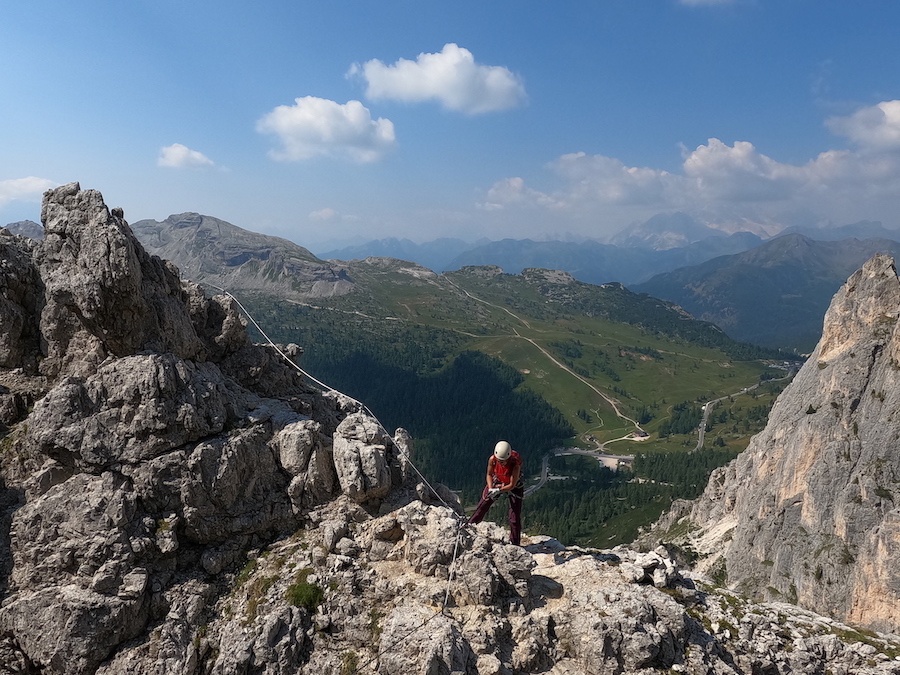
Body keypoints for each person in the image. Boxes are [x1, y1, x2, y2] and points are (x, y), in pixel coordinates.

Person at [465, 440, 524, 545]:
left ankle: (515, 543)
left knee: (514, 516)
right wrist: (491, 488)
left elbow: (512, 485)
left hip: (514, 486)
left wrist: (498, 490)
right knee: (483, 504)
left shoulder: (515, 465)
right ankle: (470, 525)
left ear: (509, 457)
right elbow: (489, 474)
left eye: (504, 461)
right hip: (498, 481)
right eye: (500, 460)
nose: (501, 462)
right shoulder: (493, 460)